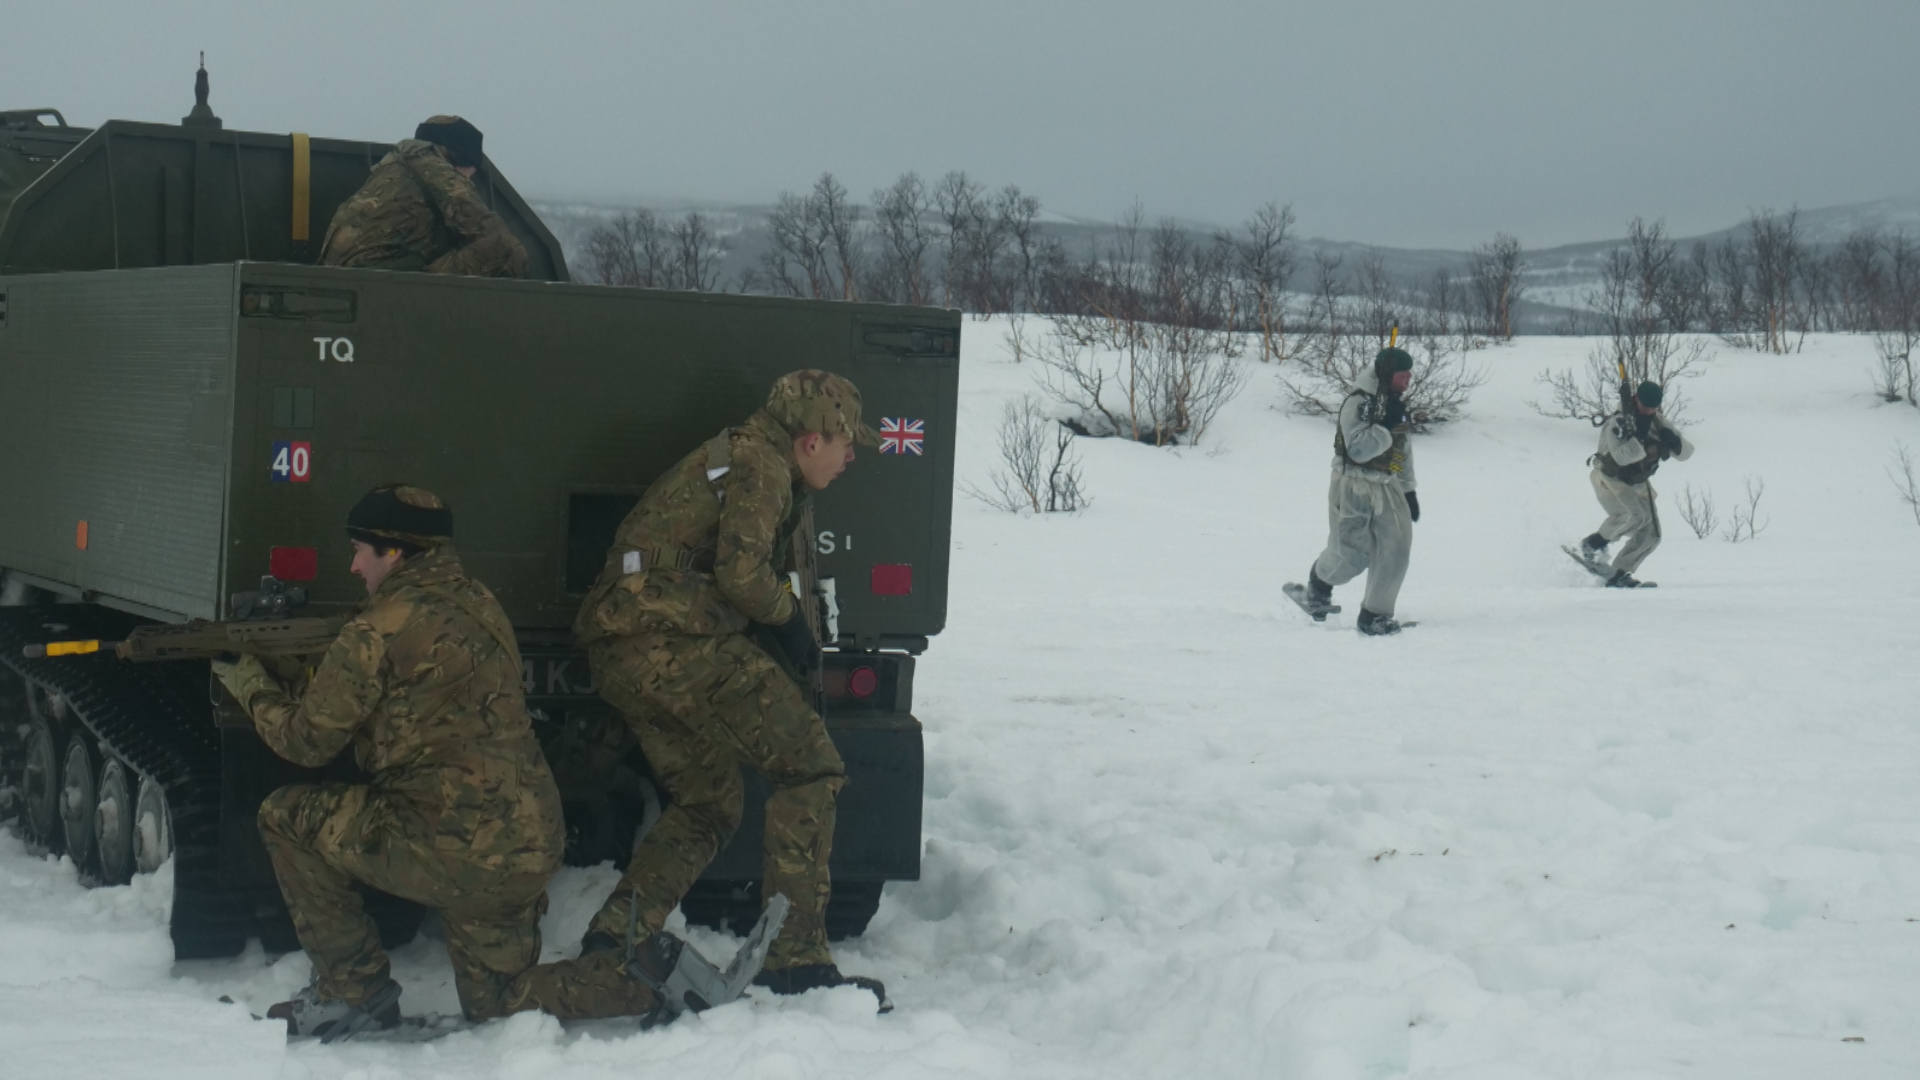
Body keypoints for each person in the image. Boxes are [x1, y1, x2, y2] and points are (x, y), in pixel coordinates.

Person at [524, 370, 891, 1015]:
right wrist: (792, 627)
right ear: (810, 441)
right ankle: (797, 961)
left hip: (626, 644)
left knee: (710, 801)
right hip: (670, 640)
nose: (851, 455)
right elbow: (742, 574)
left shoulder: (749, 456)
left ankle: (615, 935)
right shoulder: (762, 465)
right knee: (810, 765)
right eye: (844, 442)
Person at [211, 485, 564, 1039]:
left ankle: (352, 992)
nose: (353, 566)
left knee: (285, 816)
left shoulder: (377, 630)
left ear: (396, 552)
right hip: (526, 843)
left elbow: (307, 744)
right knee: (501, 1007)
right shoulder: (481, 602)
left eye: (360, 550)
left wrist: (250, 683)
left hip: (450, 847)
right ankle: (634, 977)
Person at [1300, 346, 1420, 636]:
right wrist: (1384, 426)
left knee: (1396, 550)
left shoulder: (1395, 404)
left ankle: (1374, 616)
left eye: (1410, 374)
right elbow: (1358, 450)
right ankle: (1319, 583)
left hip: (1387, 486)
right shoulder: (1357, 403)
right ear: (1389, 374)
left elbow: (1401, 450)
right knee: (1353, 553)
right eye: (1403, 374)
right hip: (1352, 484)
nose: (1409, 379)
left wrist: (1408, 489)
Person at [317, 115, 528, 277]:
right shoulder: (438, 171)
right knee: (506, 248)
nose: (470, 179)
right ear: (461, 160)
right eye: (470, 173)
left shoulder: (393, 165)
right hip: (382, 281)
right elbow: (490, 231)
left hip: (348, 275)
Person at [1575, 380, 1694, 588]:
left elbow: (1686, 453)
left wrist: (1674, 440)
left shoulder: (1657, 421)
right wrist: (1637, 438)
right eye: (1645, 405)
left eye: (1653, 407)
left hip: (1638, 482)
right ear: (1635, 399)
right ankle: (1592, 545)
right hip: (1610, 480)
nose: (1648, 411)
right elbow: (1620, 457)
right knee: (1634, 516)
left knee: (1652, 535)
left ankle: (1619, 572)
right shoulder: (1618, 422)